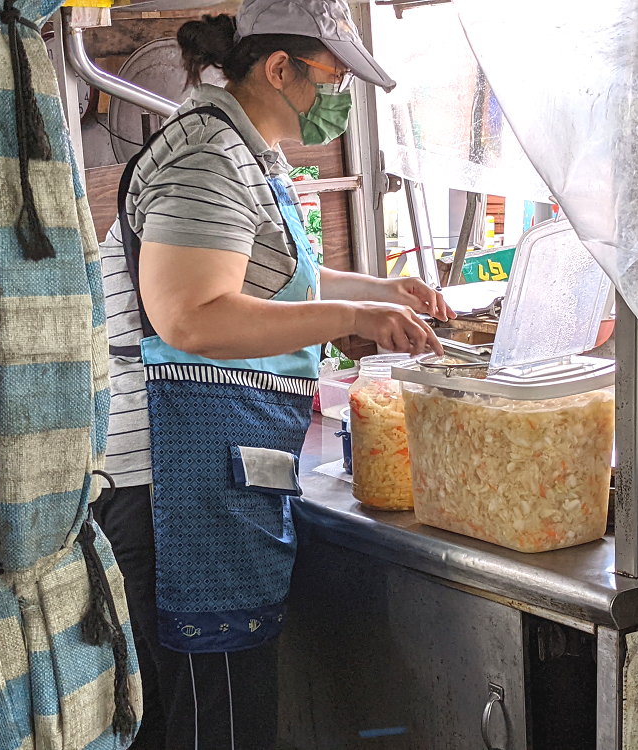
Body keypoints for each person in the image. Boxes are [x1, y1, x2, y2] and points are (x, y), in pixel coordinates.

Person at [91, 1, 453, 747]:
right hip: (170, 487)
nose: (340, 97)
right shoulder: (204, 158)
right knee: (211, 726)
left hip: (211, 476)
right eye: (334, 75)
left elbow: (275, 283)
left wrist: (378, 293)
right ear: (279, 68)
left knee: (217, 717)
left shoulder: (246, 153)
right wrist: (347, 321)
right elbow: (191, 315)